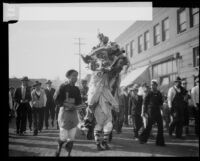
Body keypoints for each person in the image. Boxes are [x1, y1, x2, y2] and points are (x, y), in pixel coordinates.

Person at [54, 69, 82, 157]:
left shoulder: (77, 89)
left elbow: (78, 101)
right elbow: (55, 98)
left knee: (72, 136)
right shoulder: (62, 86)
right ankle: (58, 148)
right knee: (64, 136)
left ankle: (69, 154)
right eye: (73, 75)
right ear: (68, 77)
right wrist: (64, 104)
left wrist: (80, 105)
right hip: (64, 114)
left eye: (76, 76)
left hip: (73, 114)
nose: (75, 77)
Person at [139, 80, 165, 146]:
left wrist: (163, 112)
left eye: (153, 85)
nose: (151, 86)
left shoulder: (159, 93)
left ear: (156, 85)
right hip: (151, 112)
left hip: (158, 112)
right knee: (149, 127)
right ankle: (142, 139)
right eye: (151, 85)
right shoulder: (149, 93)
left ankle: (160, 142)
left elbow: (161, 104)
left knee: (161, 127)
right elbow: (144, 103)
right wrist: (144, 112)